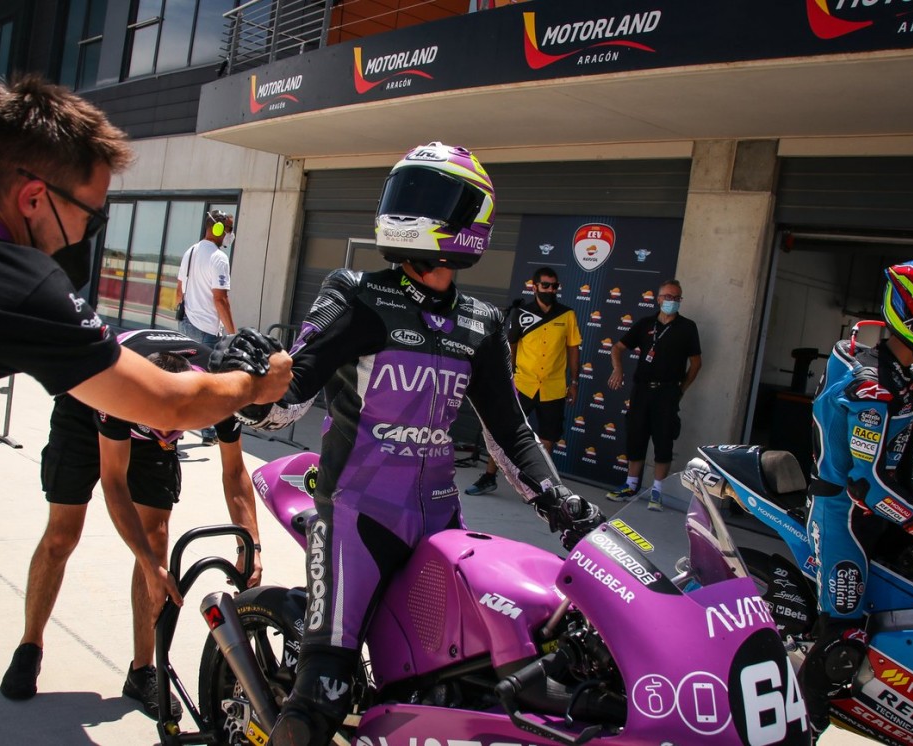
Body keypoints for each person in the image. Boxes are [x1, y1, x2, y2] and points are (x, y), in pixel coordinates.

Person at [227, 142, 603, 746]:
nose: (406, 210)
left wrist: (559, 503)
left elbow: (510, 433)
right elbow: (288, 401)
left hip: (439, 523)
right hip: (355, 518)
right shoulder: (356, 293)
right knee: (323, 694)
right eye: (402, 194)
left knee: (473, 679)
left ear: (472, 215)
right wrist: (246, 377)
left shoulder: (480, 323)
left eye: (427, 198)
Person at [0, 74, 292, 534]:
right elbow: (167, 403)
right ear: (35, 198)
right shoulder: (18, 286)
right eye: (91, 214)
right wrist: (254, 383)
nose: (90, 233)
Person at [0, 329, 264, 718]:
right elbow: (114, 481)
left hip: (147, 412)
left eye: (173, 429)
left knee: (157, 539)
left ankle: (143, 670)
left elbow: (234, 473)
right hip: (84, 409)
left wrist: (251, 546)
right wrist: (147, 565)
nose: (166, 438)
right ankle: (29, 645)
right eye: (156, 425)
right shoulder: (119, 389)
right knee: (62, 536)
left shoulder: (216, 394)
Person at [799, 259, 913, 734]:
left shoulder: (909, 373)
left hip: (887, 513)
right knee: (843, 639)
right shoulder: (871, 384)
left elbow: (910, 452)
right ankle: (804, 727)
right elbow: (866, 482)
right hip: (844, 512)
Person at [466, 266, 581, 495]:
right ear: (534, 286)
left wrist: (575, 381)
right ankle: (489, 477)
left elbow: (573, 349)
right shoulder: (521, 313)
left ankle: (544, 487)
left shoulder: (567, 315)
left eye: (554, 286)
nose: (550, 289)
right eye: (545, 285)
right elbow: (511, 348)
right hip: (523, 384)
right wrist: (504, 378)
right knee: (503, 431)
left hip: (553, 387)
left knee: (548, 437)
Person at [605, 279, 701, 510]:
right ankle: (630, 485)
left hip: (668, 391)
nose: (672, 301)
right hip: (641, 390)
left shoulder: (687, 327)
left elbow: (696, 363)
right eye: (668, 297)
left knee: (663, 439)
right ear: (658, 299)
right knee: (636, 435)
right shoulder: (645, 324)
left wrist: (681, 389)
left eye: (677, 297)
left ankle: (658, 491)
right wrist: (618, 368)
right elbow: (617, 348)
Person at [176, 210, 237, 443]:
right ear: (219, 229)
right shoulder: (219, 258)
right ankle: (209, 432)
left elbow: (179, 289)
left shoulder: (190, 251)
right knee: (208, 383)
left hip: (186, 323)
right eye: (229, 229)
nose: (231, 234)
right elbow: (221, 299)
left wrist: (183, 311)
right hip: (207, 329)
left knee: (186, 377)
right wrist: (232, 332)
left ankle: (176, 426)